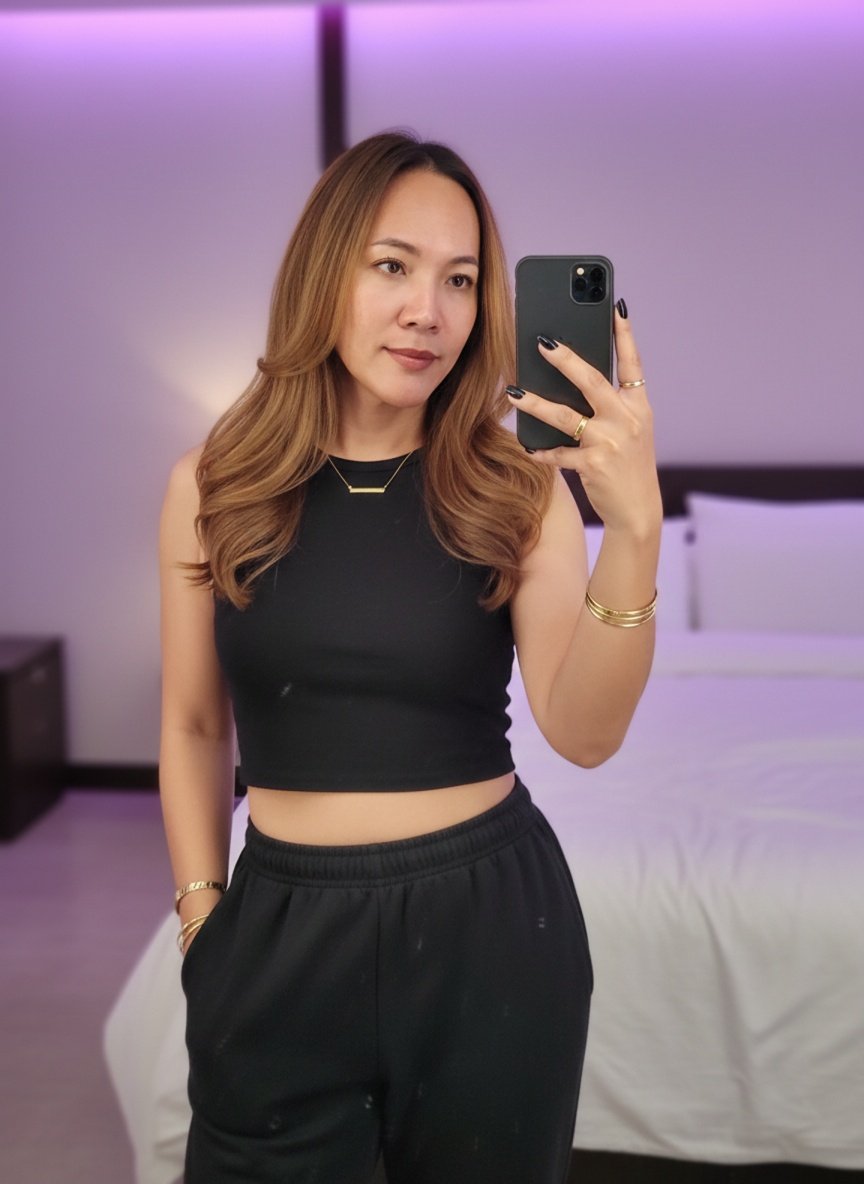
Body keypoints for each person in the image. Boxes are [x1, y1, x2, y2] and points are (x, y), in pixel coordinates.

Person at [158, 130, 661, 1184]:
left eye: (461, 280)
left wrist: (636, 532)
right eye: (392, 265)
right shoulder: (214, 482)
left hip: (492, 927)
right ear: (324, 272)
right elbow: (196, 725)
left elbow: (584, 732)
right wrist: (203, 916)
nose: (428, 310)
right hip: (280, 929)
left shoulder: (518, 489)